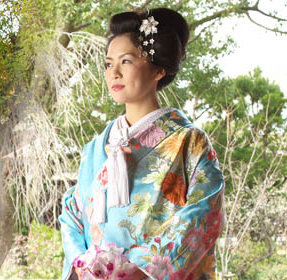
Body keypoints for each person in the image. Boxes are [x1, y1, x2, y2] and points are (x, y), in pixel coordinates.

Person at [59, 8, 224, 280]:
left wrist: (140, 269)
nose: (114, 73)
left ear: (159, 69)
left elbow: (205, 210)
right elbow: (72, 213)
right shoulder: (94, 149)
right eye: (109, 64)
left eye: (126, 61)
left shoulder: (188, 142)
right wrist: (83, 265)